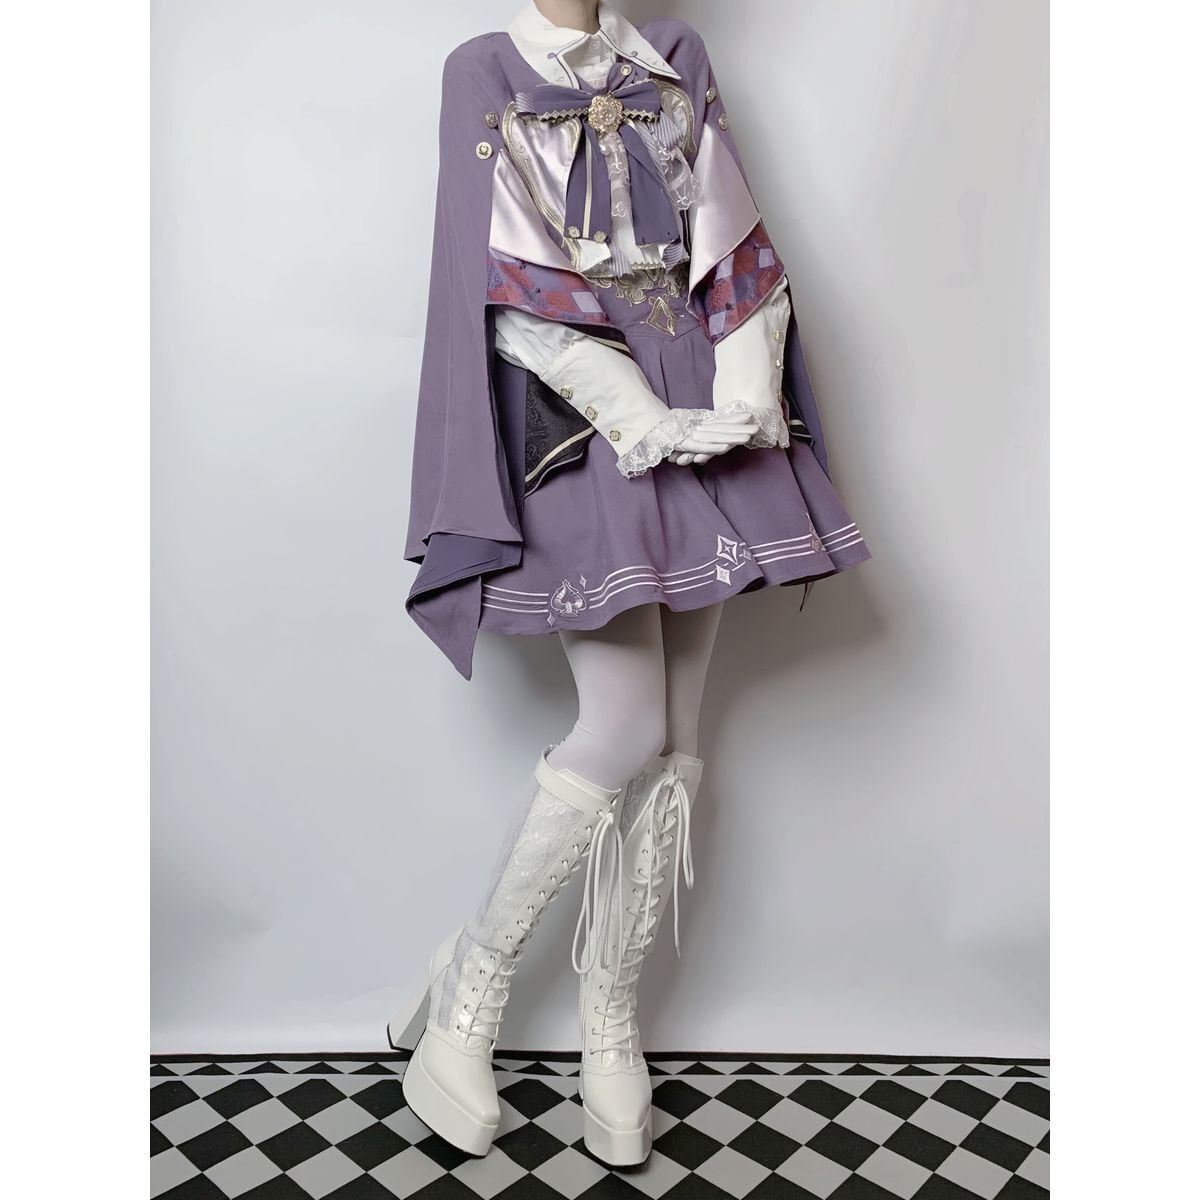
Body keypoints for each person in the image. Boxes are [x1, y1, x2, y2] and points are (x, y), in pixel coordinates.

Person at [392, 0, 870, 1166]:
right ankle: (470, 991)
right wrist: (638, 414)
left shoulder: (678, 58)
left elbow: (735, 246)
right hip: (583, 411)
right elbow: (502, 276)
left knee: (677, 737)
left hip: (700, 398)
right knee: (624, 721)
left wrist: (743, 394)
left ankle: (610, 1020)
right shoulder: (481, 70)